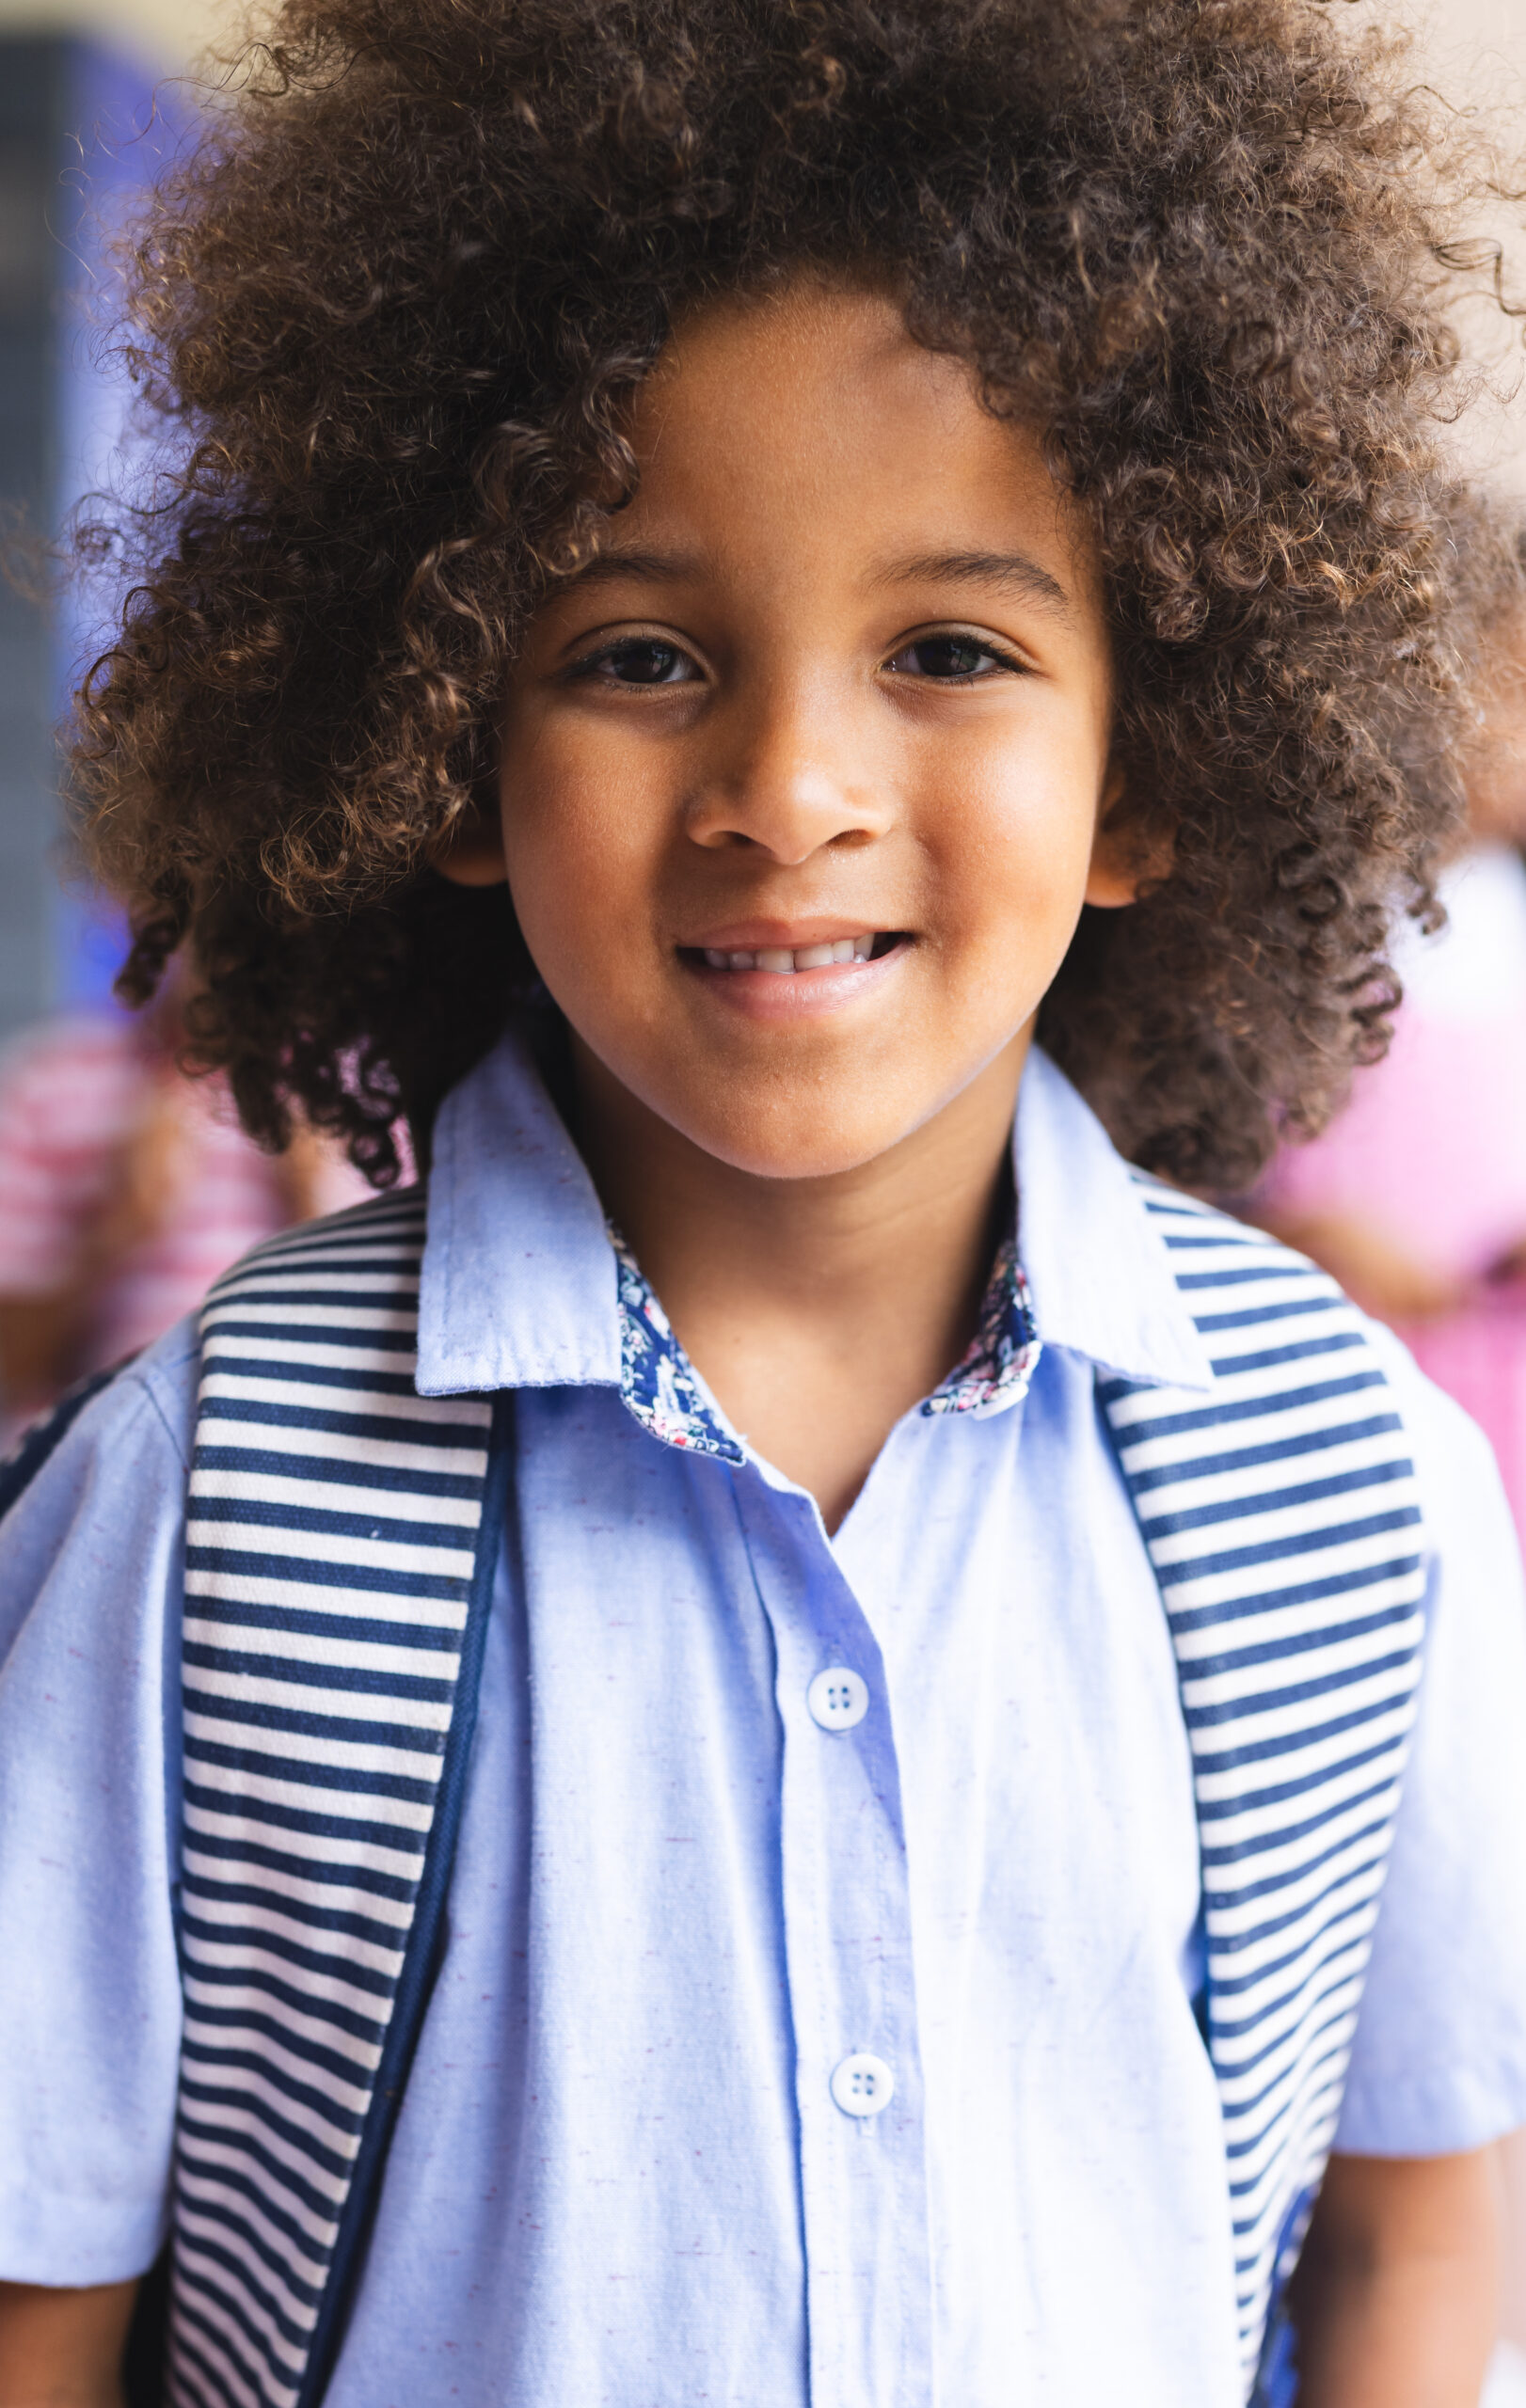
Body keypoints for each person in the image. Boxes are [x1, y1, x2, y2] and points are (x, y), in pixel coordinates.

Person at [1, 6, 1524, 2405]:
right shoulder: (192, 1502)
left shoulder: (1351, 1487)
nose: (788, 780)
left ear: (1147, 775)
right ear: (440, 754)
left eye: (947, 648)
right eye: (633, 653)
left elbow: (1419, 2232)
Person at [0, 978, 372, 1442]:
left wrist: (318, 1212)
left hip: (292, 1445)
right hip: (90, 1452)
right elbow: (11, 1361)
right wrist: (116, 1232)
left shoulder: (370, 1094)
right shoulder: (50, 1082)